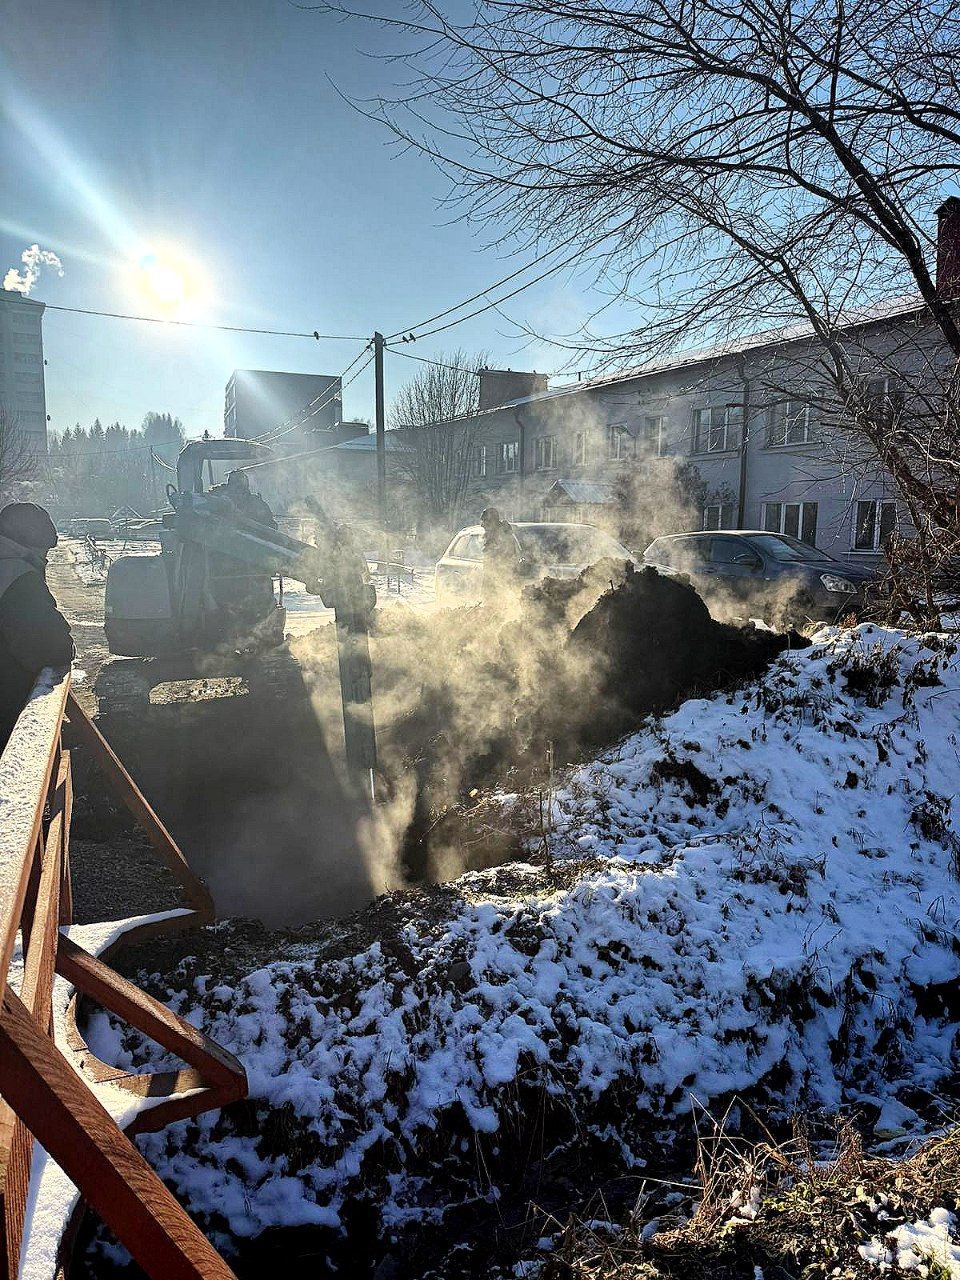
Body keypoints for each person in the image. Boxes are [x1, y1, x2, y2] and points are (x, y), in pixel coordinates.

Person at [0, 503, 74, 746]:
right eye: (43, 552)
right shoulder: (17, 577)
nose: (45, 559)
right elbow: (52, 646)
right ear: (28, 546)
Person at [480, 507, 520, 599]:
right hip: (493, 579)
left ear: (492, 521)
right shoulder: (493, 534)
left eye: (485, 521)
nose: (482, 525)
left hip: (500, 581)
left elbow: (504, 561)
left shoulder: (502, 536)